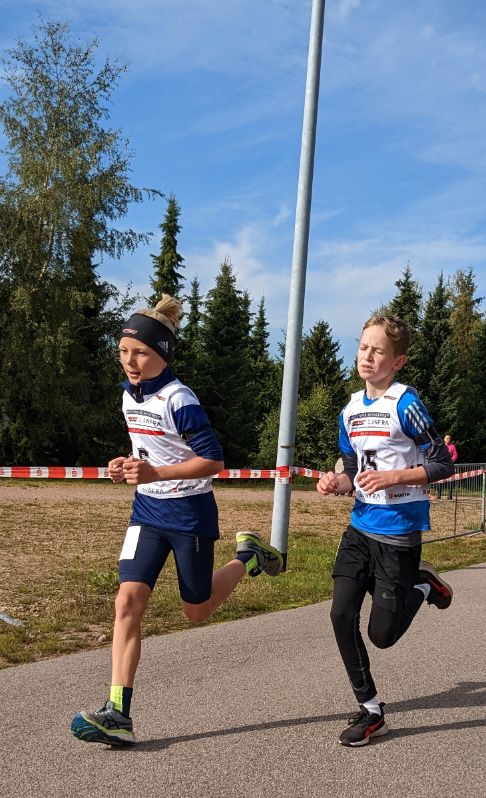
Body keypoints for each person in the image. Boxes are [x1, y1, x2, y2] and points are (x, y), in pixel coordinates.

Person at [71, 294, 282, 746]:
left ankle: (248, 557)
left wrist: (156, 472)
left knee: (196, 610)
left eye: (141, 353)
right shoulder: (129, 394)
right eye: (124, 351)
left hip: (189, 512)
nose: (130, 361)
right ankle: (118, 713)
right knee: (127, 602)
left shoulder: (179, 398)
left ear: (161, 354)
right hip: (147, 509)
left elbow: (213, 460)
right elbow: (148, 452)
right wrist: (125, 465)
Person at [316, 314, 455, 747]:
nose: (367, 356)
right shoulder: (350, 410)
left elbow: (442, 462)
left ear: (397, 361)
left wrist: (395, 478)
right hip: (360, 528)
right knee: (340, 614)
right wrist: (336, 482)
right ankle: (371, 711)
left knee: (382, 637)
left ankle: (423, 586)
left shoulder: (405, 403)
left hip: (398, 533)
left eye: (378, 351)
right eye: (363, 347)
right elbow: (355, 470)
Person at [437, 434, 458, 500]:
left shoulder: (452, 446)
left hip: (449, 465)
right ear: (444, 439)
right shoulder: (441, 446)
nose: (448, 440)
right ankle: (439, 495)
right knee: (439, 480)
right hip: (441, 465)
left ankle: (450, 496)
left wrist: (450, 461)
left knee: (450, 480)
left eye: (449, 438)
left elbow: (455, 455)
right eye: (447, 438)